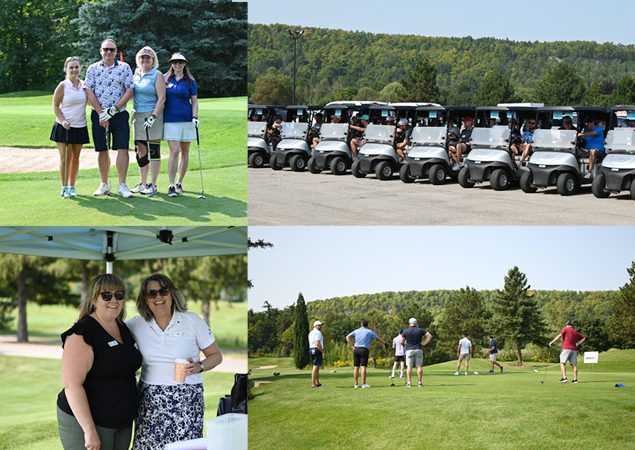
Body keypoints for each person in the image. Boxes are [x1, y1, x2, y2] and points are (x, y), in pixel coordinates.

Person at [126, 274, 223, 449]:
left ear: (172, 294)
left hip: (187, 398)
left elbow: (216, 356)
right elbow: (107, 331)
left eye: (163, 291)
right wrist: (82, 326)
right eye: (152, 293)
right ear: (145, 299)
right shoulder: (136, 324)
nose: (158, 297)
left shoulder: (192, 321)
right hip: (150, 399)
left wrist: (199, 366)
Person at [57, 274, 141, 450]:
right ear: (94, 299)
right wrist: (89, 430)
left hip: (122, 421)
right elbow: (71, 385)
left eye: (119, 295)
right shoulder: (81, 333)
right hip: (90, 422)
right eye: (106, 295)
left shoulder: (122, 328)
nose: (114, 300)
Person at [84, 39, 134, 198]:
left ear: (116, 51)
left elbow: (129, 90)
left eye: (112, 50)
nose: (109, 52)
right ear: (101, 51)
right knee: (102, 149)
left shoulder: (124, 67)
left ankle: (122, 185)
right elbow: (89, 91)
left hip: (119, 114)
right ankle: (104, 184)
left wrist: (114, 110)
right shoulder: (93, 68)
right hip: (98, 115)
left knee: (123, 148)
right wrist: (101, 113)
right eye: (106, 49)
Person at [50, 56, 90, 199]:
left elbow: (90, 102)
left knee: (76, 158)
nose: (74, 69)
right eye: (71, 67)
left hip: (80, 126)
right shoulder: (63, 85)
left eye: (76, 67)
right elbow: (55, 105)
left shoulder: (85, 85)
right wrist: (63, 120)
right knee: (65, 158)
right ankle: (64, 187)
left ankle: (72, 186)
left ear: (80, 68)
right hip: (63, 126)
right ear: (66, 69)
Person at [129, 46, 166, 196]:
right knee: (140, 149)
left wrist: (153, 116)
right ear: (138, 59)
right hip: (137, 115)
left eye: (148, 58)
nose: (145, 60)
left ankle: (153, 184)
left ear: (153, 60)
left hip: (153, 115)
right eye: (142, 57)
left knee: (154, 150)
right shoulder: (135, 74)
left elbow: (162, 98)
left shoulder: (157, 75)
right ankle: (143, 183)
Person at [163, 52, 199, 197]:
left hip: (186, 119)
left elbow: (195, 102)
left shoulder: (190, 81)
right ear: (172, 63)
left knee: (185, 152)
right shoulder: (165, 78)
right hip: (170, 120)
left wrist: (195, 116)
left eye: (180, 62)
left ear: (184, 64)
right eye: (175, 62)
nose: (177, 64)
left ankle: (179, 182)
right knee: (175, 151)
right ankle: (171, 184)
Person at [345, 319, 385, 388]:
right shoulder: (369, 331)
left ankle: (356, 384)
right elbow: (378, 338)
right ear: (367, 325)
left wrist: (351, 346)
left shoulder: (356, 331)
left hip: (356, 349)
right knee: (363, 367)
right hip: (364, 350)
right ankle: (363, 384)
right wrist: (384, 343)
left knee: (356, 367)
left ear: (361, 324)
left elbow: (347, 337)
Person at [400, 318, 432, 388]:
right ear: (416, 323)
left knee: (409, 367)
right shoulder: (420, 330)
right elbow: (429, 336)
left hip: (409, 350)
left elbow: (401, 342)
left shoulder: (405, 331)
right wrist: (424, 343)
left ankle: (409, 383)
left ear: (409, 323)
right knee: (419, 366)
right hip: (418, 349)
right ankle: (419, 383)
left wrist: (404, 344)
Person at [308, 320, 325, 388]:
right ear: (315, 326)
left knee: (317, 366)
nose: (320, 326)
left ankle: (317, 382)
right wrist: (322, 352)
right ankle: (313, 383)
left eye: (321, 325)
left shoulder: (311, 333)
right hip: (316, 349)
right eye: (319, 325)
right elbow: (317, 343)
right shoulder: (318, 333)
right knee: (315, 367)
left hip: (311, 349)